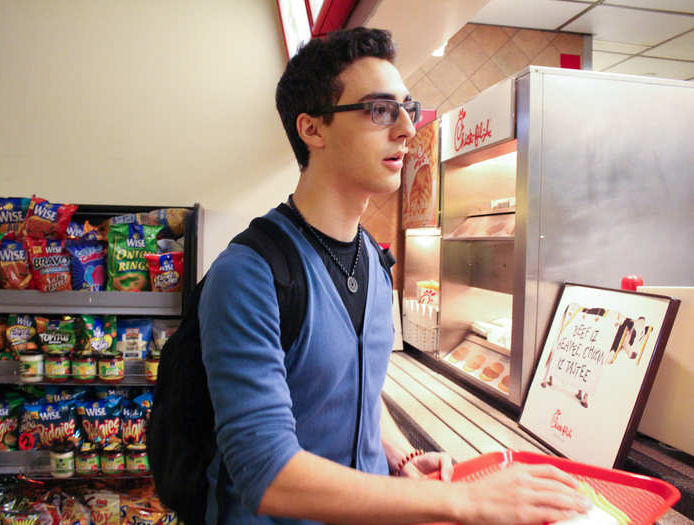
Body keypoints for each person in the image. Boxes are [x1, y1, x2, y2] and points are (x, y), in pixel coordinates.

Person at [198, 27, 592, 524]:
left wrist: (401, 454)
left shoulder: (372, 260)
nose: (407, 129)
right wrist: (465, 500)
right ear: (312, 129)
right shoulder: (250, 275)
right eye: (380, 110)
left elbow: (351, 386)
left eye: (409, 108)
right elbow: (266, 473)